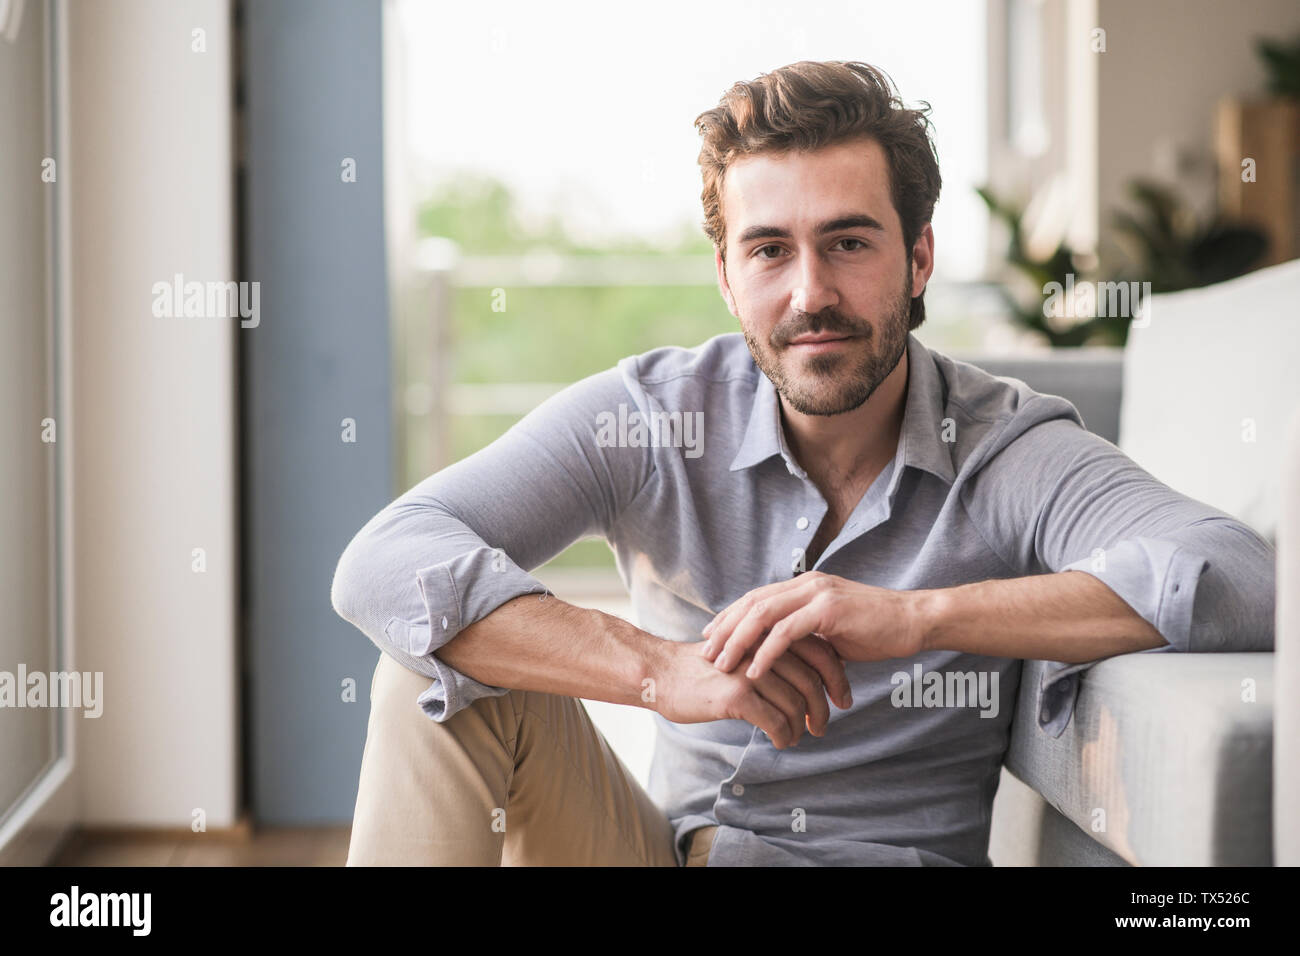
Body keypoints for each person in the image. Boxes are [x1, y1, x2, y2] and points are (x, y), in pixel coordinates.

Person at [330, 60, 1275, 866]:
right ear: (727, 275)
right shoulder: (654, 418)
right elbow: (385, 558)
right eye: (771, 250)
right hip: (664, 853)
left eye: (849, 242)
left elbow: (1240, 575)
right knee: (428, 676)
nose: (810, 292)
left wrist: (916, 618)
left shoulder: (1003, 448)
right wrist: (659, 671)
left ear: (918, 258)